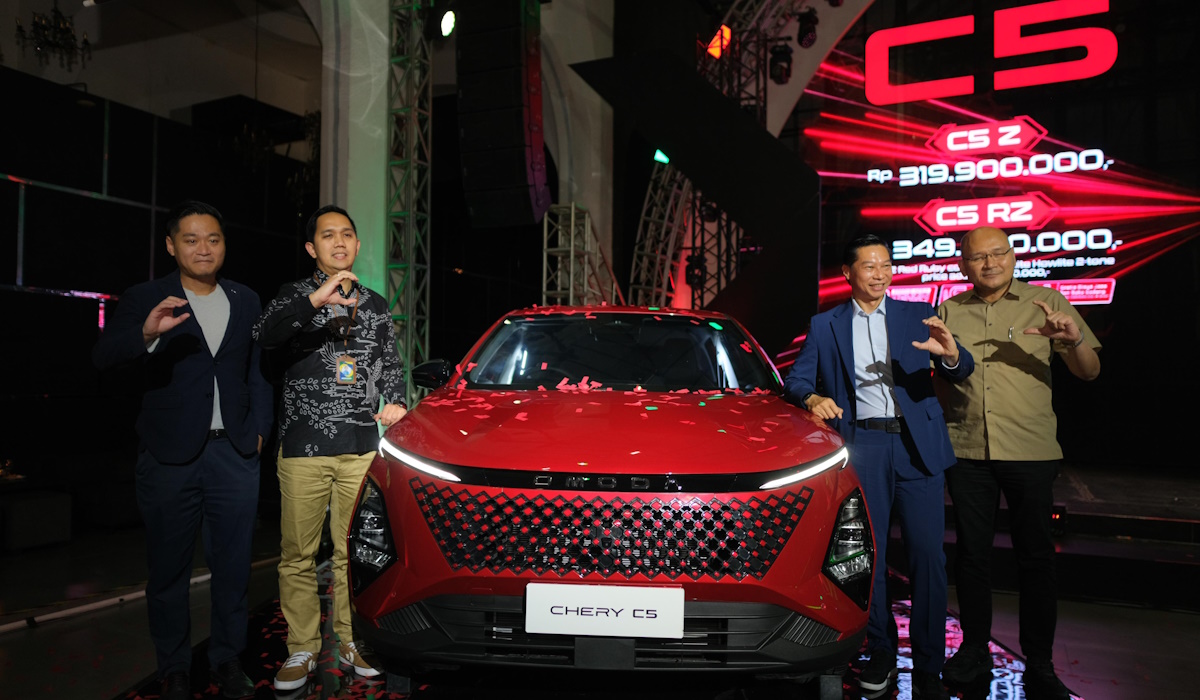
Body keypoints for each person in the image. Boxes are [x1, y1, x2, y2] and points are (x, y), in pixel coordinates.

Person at [93, 201, 272, 700]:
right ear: (172, 246)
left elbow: (256, 372)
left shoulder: (246, 298)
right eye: (191, 240)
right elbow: (104, 356)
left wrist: (260, 430)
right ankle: (174, 668)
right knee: (168, 572)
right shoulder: (146, 297)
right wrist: (146, 334)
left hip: (234, 454)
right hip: (169, 455)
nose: (203, 249)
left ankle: (227, 660)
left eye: (213, 239)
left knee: (233, 568)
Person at [784, 234, 973, 699]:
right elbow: (797, 380)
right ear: (848, 273)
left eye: (886, 265)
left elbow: (961, 366)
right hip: (863, 445)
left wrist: (950, 355)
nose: (880, 274)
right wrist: (812, 397)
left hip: (916, 445)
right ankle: (882, 651)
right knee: (870, 559)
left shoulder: (917, 313)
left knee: (928, 556)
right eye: (869, 266)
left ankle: (929, 664)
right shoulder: (825, 324)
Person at [937, 226, 1101, 699]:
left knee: (1036, 558)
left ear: (1013, 256)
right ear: (963, 265)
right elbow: (941, 380)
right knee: (972, 557)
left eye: (998, 253)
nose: (989, 263)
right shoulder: (949, 310)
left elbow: (1089, 372)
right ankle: (974, 649)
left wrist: (1072, 340)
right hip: (967, 449)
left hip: (1029, 450)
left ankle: (1040, 663)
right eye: (978, 257)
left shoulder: (1046, 302)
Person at [253, 204, 407, 691]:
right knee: (298, 555)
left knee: (350, 554)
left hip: (360, 446)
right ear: (311, 247)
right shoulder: (293, 295)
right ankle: (301, 647)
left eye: (346, 234)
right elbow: (265, 336)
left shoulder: (375, 305)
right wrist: (317, 299)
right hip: (304, 446)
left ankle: (350, 641)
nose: (338, 242)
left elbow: (391, 365)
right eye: (327, 235)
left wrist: (397, 402)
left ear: (357, 245)